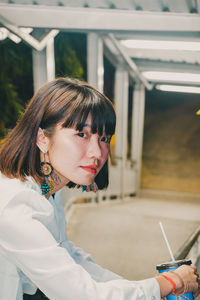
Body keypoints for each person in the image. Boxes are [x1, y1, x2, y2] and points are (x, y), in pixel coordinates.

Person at [0, 77, 199, 300]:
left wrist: (146, 287)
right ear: (42, 138)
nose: (97, 152)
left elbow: (67, 255)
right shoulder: (13, 203)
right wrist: (170, 282)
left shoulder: (46, 189)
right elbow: (80, 294)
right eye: (81, 135)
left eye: (104, 138)